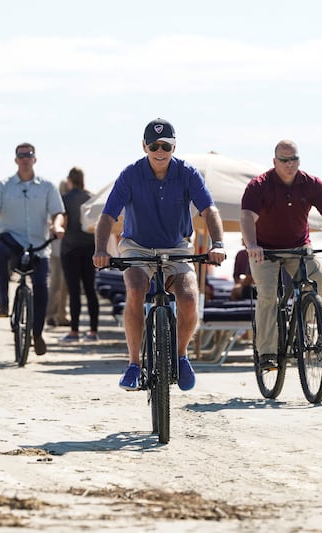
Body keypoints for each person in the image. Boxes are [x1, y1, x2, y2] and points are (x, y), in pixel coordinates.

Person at [93, 118, 227, 391]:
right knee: (135, 289)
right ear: (144, 146)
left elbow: (209, 210)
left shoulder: (188, 173)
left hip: (176, 246)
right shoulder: (130, 174)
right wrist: (99, 251)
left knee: (189, 296)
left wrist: (219, 244)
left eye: (165, 144)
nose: (160, 150)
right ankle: (133, 364)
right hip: (137, 246)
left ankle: (181, 356)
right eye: (154, 145)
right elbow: (107, 216)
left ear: (174, 146)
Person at [240, 140, 322, 371]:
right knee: (268, 296)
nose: (289, 164)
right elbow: (246, 216)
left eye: (293, 159)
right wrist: (251, 244)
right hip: (265, 250)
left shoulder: (311, 184)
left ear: (299, 160)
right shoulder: (259, 185)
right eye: (284, 160)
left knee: (318, 279)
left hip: (299, 248)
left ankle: (304, 324)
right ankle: (267, 352)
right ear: (274, 162)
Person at [0, 143, 65, 356]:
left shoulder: (47, 186)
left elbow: (58, 212)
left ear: (35, 159)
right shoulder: (4, 185)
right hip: (12, 241)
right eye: (21, 155)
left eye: (29, 155)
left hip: (38, 244)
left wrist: (57, 225)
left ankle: (37, 334)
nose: (25, 158)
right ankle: (4, 302)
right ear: (16, 159)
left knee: (40, 286)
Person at [59, 166, 101, 342]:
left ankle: (74, 331)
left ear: (70, 180)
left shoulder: (65, 199)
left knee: (74, 290)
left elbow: (64, 222)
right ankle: (93, 331)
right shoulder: (91, 198)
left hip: (70, 248)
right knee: (91, 290)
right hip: (90, 248)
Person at [45, 179, 71, 328]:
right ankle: (56, 314)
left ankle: (56, 313)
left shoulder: (56, 206)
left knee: (58, 283)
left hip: (56, 249)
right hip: (59, 249)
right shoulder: (59, 206)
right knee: (59, 283)